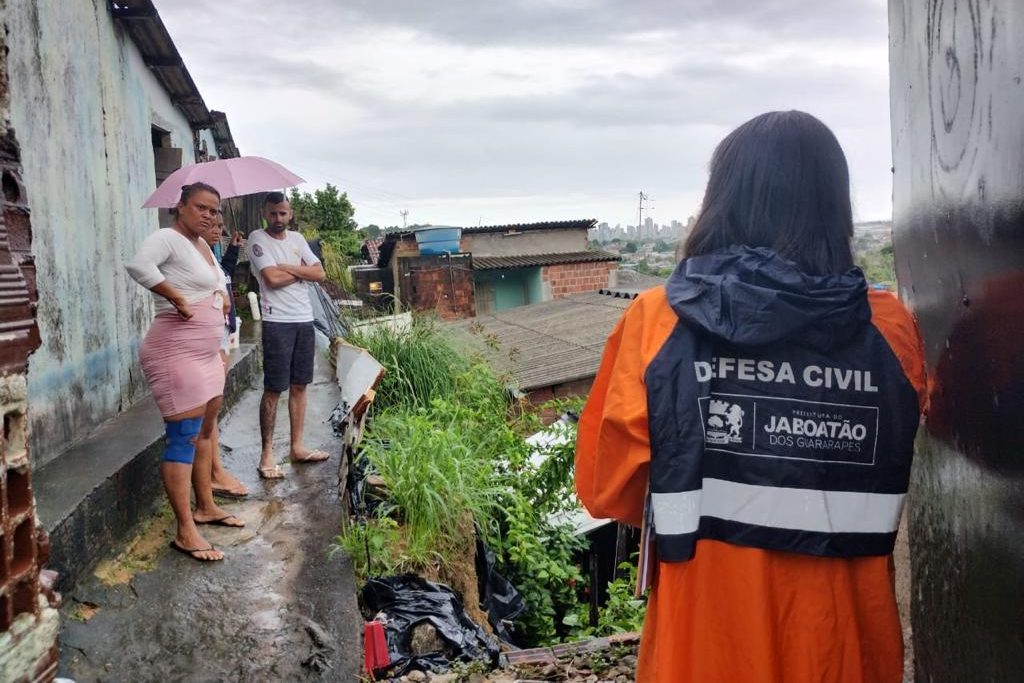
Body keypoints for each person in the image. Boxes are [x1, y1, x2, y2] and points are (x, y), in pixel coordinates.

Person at [575, 111, 928, 682]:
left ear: (722, 201)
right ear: (833, 206)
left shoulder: (658, 323)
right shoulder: (891, 332)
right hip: (842, 654)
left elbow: (606, 488)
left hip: (701, 653)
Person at [126, 182, 245, 564]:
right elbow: (138, 266)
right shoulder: (168, 238)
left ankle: (205, 506)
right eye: (201, 207)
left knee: (205, 430)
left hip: (207, 354)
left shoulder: (202, 246)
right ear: (181, 206)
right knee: (184, 437)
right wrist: (175, 297)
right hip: (175, 352)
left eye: (214, 209)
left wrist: (220, 299)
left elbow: (214, 284)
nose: (209, 215)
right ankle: (185, 530)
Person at [248, 192, 328, 479]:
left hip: (304, 320)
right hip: (277, 322)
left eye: (283, 213)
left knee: (300, 386)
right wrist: (303, 272)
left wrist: (290, 268)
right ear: (264, 213)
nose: (278, 218)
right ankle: (267, 454)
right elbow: (272, 279)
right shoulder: (257, 239)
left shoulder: (297, 239)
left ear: (290, 214)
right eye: (273, 213)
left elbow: (320, 274)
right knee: (274, 388)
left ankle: (297, 447)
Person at [198, 214, 248, 499]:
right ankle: (213, 472)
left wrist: (234, 248)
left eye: (219, 226)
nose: (216, 230)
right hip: (210, 334)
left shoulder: (212, 256)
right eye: (210, 225)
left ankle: (215, 469)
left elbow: (226, 273)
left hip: (224, 332)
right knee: (208, 409)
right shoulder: (193, 256)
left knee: (214, 407)